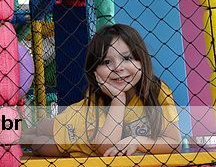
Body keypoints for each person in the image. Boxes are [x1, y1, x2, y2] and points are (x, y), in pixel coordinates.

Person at [21, 24, 181, 157]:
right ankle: (9, 136)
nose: (118, 68)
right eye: (107, 62)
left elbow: (174, 143)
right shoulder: (97, 95)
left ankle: (16, 140)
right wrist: (118, 99)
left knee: (38, 145)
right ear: (95, 70)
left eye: (127, 58)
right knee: (37, 130)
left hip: (80, 149)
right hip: (73, 124)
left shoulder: (156, 91)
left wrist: (138, 141)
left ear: (142, 61)